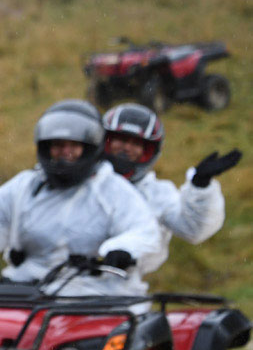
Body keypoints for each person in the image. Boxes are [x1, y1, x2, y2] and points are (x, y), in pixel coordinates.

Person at [0, 101, 161, 295]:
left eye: (73, 146)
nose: (65, 152)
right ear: (46, 147)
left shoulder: (113, 190)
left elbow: (144, 231)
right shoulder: (26, 186)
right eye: (58, 145)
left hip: (96, 295)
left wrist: (123, 251)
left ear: (90, 147)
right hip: (26, 291)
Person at [102, 102, 239, 275]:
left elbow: (193, 229)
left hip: (124, 285)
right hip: (69, 281)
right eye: (122, 140)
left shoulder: (157, 194)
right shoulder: (81, 184)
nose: (127, 148)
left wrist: (201, 186)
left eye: (136, 143)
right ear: (104, 141)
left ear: (149, 151)